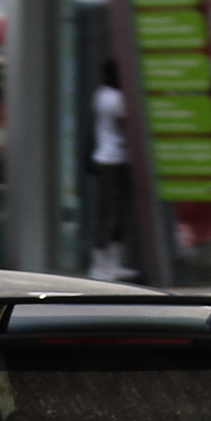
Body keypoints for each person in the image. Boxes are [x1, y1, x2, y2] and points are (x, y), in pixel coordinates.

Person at [87, 63, 134, 280]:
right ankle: (106, 265)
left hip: (103, 157)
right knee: (114, 213)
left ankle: (105, 263)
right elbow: (128, 124)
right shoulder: (116, 99)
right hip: (116, 159)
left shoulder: (100, 94)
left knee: (107, 212)